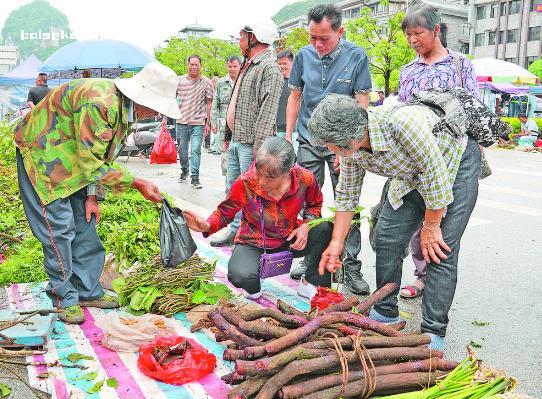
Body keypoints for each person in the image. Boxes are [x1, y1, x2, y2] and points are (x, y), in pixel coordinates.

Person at [310, 93, 483, 350]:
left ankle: (432, 332)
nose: (328, 149)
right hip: (409, 176)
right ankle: (385, 312)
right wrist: (336, 242)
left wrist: (431, 226)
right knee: (386, 237)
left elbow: (434, 172)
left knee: (437, 249)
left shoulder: (402, 124)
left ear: (350, 138)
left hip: (452, 165)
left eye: (329, 143)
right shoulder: (350, 150)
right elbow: (347, 195)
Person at [14, 62, 181, 324]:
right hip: (43, 155)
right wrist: (137, 183)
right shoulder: (100, 105)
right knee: (59, 229)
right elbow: (92, 164)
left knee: (85, 224)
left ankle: (87, 291)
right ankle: (64, 297)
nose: (157, 113)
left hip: (75, 158)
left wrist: (92, 197)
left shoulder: (125, 111)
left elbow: (100, 155)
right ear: (143, 98)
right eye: (158, 107)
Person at [392, 4, 482, 300]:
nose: (413, 40)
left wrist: (476, 152)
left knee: (443, 223)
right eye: (408, 35)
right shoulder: (408, 71)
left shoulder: (460, 64)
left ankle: (435, 280)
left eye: (417, 33)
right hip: (417, 159)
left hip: (454, 158)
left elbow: (474, 108)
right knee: (419, 223)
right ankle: (421, 276)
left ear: (436, 30)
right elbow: (401, 113)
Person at [285, 3, 372, 295]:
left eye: (324, 38)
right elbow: (295, 97)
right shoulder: (303, 56)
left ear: (340, 31)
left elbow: (361, 101)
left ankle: (351, 266)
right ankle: (309, 258)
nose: (317, 44)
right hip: (309, 139)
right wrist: (288, 136)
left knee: (348, 202)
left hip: (343, 143)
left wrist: (349, 146)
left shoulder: (357, 56)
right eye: (313, 37)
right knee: (307, 201)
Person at [184, 137, 332, 299]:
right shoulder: (246, 182)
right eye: (258, 172)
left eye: (269, 178)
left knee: (326, 228)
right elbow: (224, 213)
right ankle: (254, 283)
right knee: (240, 275)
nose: (261, 181)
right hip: (254, 242)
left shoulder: (305, 179)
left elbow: (314, 204)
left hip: (290, 238)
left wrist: (306, 226)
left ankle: (310, 283)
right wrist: (206, 226)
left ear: (288, 171)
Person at [210, 21, 283, 247]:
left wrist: (259, 152)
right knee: (233, 190)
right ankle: (235, 230)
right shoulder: (248, 65)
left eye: (242, 37)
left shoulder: (268, 67)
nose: (239, 42)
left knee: (252, 194)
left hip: (252, 144)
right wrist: (227, 138)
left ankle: (249, 237)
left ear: (254, 38)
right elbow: (234, 103)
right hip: (237, 141)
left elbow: (267, 112)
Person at [176, 54, 214, 189]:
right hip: (181, 121)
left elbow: (209, 103)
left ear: (200, 66)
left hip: (198, 122)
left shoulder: (207, 82)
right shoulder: (179, 80)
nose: (193, 67)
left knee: (196, 149)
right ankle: (185, 170)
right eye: (191, 64)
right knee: (182, 149)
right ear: (188, 65)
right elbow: (170, 99)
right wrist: (164, 118)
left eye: (196, 64)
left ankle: (195, 177)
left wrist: (208, 122)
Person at [210, 55, 241, 166]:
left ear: (240, 66)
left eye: (234, 66)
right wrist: (213, 123)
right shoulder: (221, 83)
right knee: (225, 152)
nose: (232, 69)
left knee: (239, 151)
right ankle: (227, 180)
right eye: (229, 66)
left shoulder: (243, 81)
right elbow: (215, 104)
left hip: (240, 124)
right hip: (224, 124)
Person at [275, 50, 298, 152]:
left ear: (292, 63)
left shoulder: (297, 83)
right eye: (279, 63)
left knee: (294, 161)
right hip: (276, 131)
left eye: (285, 63)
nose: (281, 66)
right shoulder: (274, 82)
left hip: (294, 131)